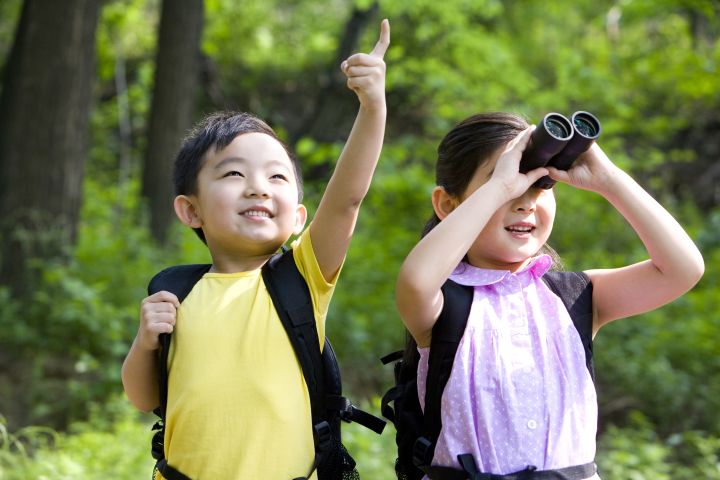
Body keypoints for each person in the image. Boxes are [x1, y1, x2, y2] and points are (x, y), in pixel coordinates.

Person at [121, 19, 390, 479]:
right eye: (233, 174)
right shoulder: (177, 294)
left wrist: (372, 108)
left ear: (299, 218)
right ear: (190, 211)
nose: (258, 188)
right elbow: (145, 398)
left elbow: (346, 199)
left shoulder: (301, 279)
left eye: (277, 176)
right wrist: (145, 343)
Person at [395, 112, 704, 479]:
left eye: (541, 184)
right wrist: (500, 186)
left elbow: (682, 269)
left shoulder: (573, 298)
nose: (525, 201)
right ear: (448, 204)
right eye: (506, 184)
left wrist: (610, 180)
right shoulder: (444, 301)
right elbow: (415, 279)